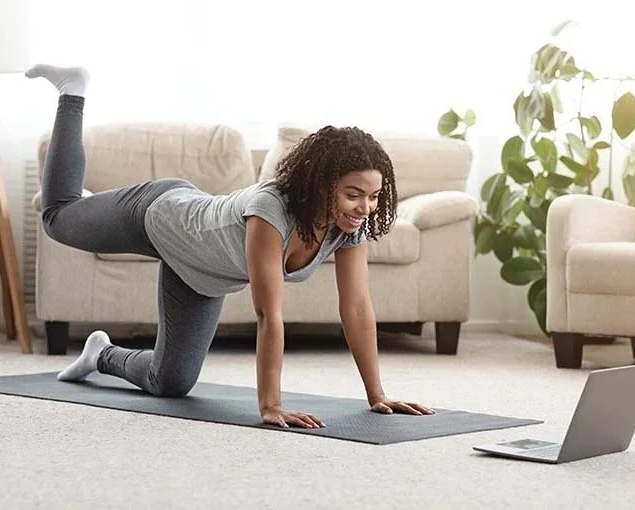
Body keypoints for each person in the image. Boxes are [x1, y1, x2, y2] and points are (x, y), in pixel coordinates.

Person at [26, 64, 434, 429]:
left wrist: (377, 394)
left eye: (375, 196)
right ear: (323, 185)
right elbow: (268, 313)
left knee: (170, 383)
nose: (365, 207)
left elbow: (358, 307)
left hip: (199, 273)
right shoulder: (270, 210)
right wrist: (271, 405)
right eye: (353, 194)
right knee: (58, 219)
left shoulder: (348, 228)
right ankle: (72, 93)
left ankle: (100, 354)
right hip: (159, 214)